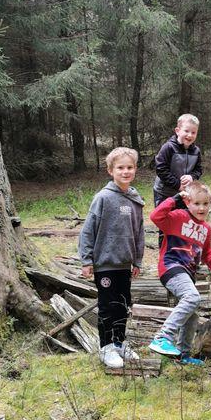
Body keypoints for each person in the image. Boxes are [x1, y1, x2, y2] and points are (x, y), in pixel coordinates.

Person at [78, 147, 145, 369]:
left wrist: (137, 261)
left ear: (135, 169)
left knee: (123, 304)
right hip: (105, 264)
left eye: (130, 167)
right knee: (108, 305)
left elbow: (139, 233)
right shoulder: (103, 198)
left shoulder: (136, 200)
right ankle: (105, 348)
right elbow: (88, 230)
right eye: (120, 168)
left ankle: (120, 342)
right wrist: (87, 260)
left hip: (125, 264)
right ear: (110, 170)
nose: (125, 172)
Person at [149, 182, 211, 365]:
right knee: (192, 298)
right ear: (187, 203)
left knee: (191, 315)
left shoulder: (206, 229)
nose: (201, 208)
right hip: (171, 266)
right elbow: (155, 216)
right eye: (197, 203)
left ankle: (182, 355)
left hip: (188, 272)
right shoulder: (177, 217)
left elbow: (207, 254)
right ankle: (162, 337)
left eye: (205, 204)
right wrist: (175, 199)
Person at [153, 114, 202, 231]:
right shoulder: (168, 147)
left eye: (193, 132)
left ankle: (180, 249)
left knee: (183, 223)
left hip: (184, 194)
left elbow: (198, 170)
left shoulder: (196, 151)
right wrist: (177, 185)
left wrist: (191, 177)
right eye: (186, 131)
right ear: (177, 130)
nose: (190, 135)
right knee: (165, 225)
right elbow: (161, 169)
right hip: (164, 193)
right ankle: (165, 250)